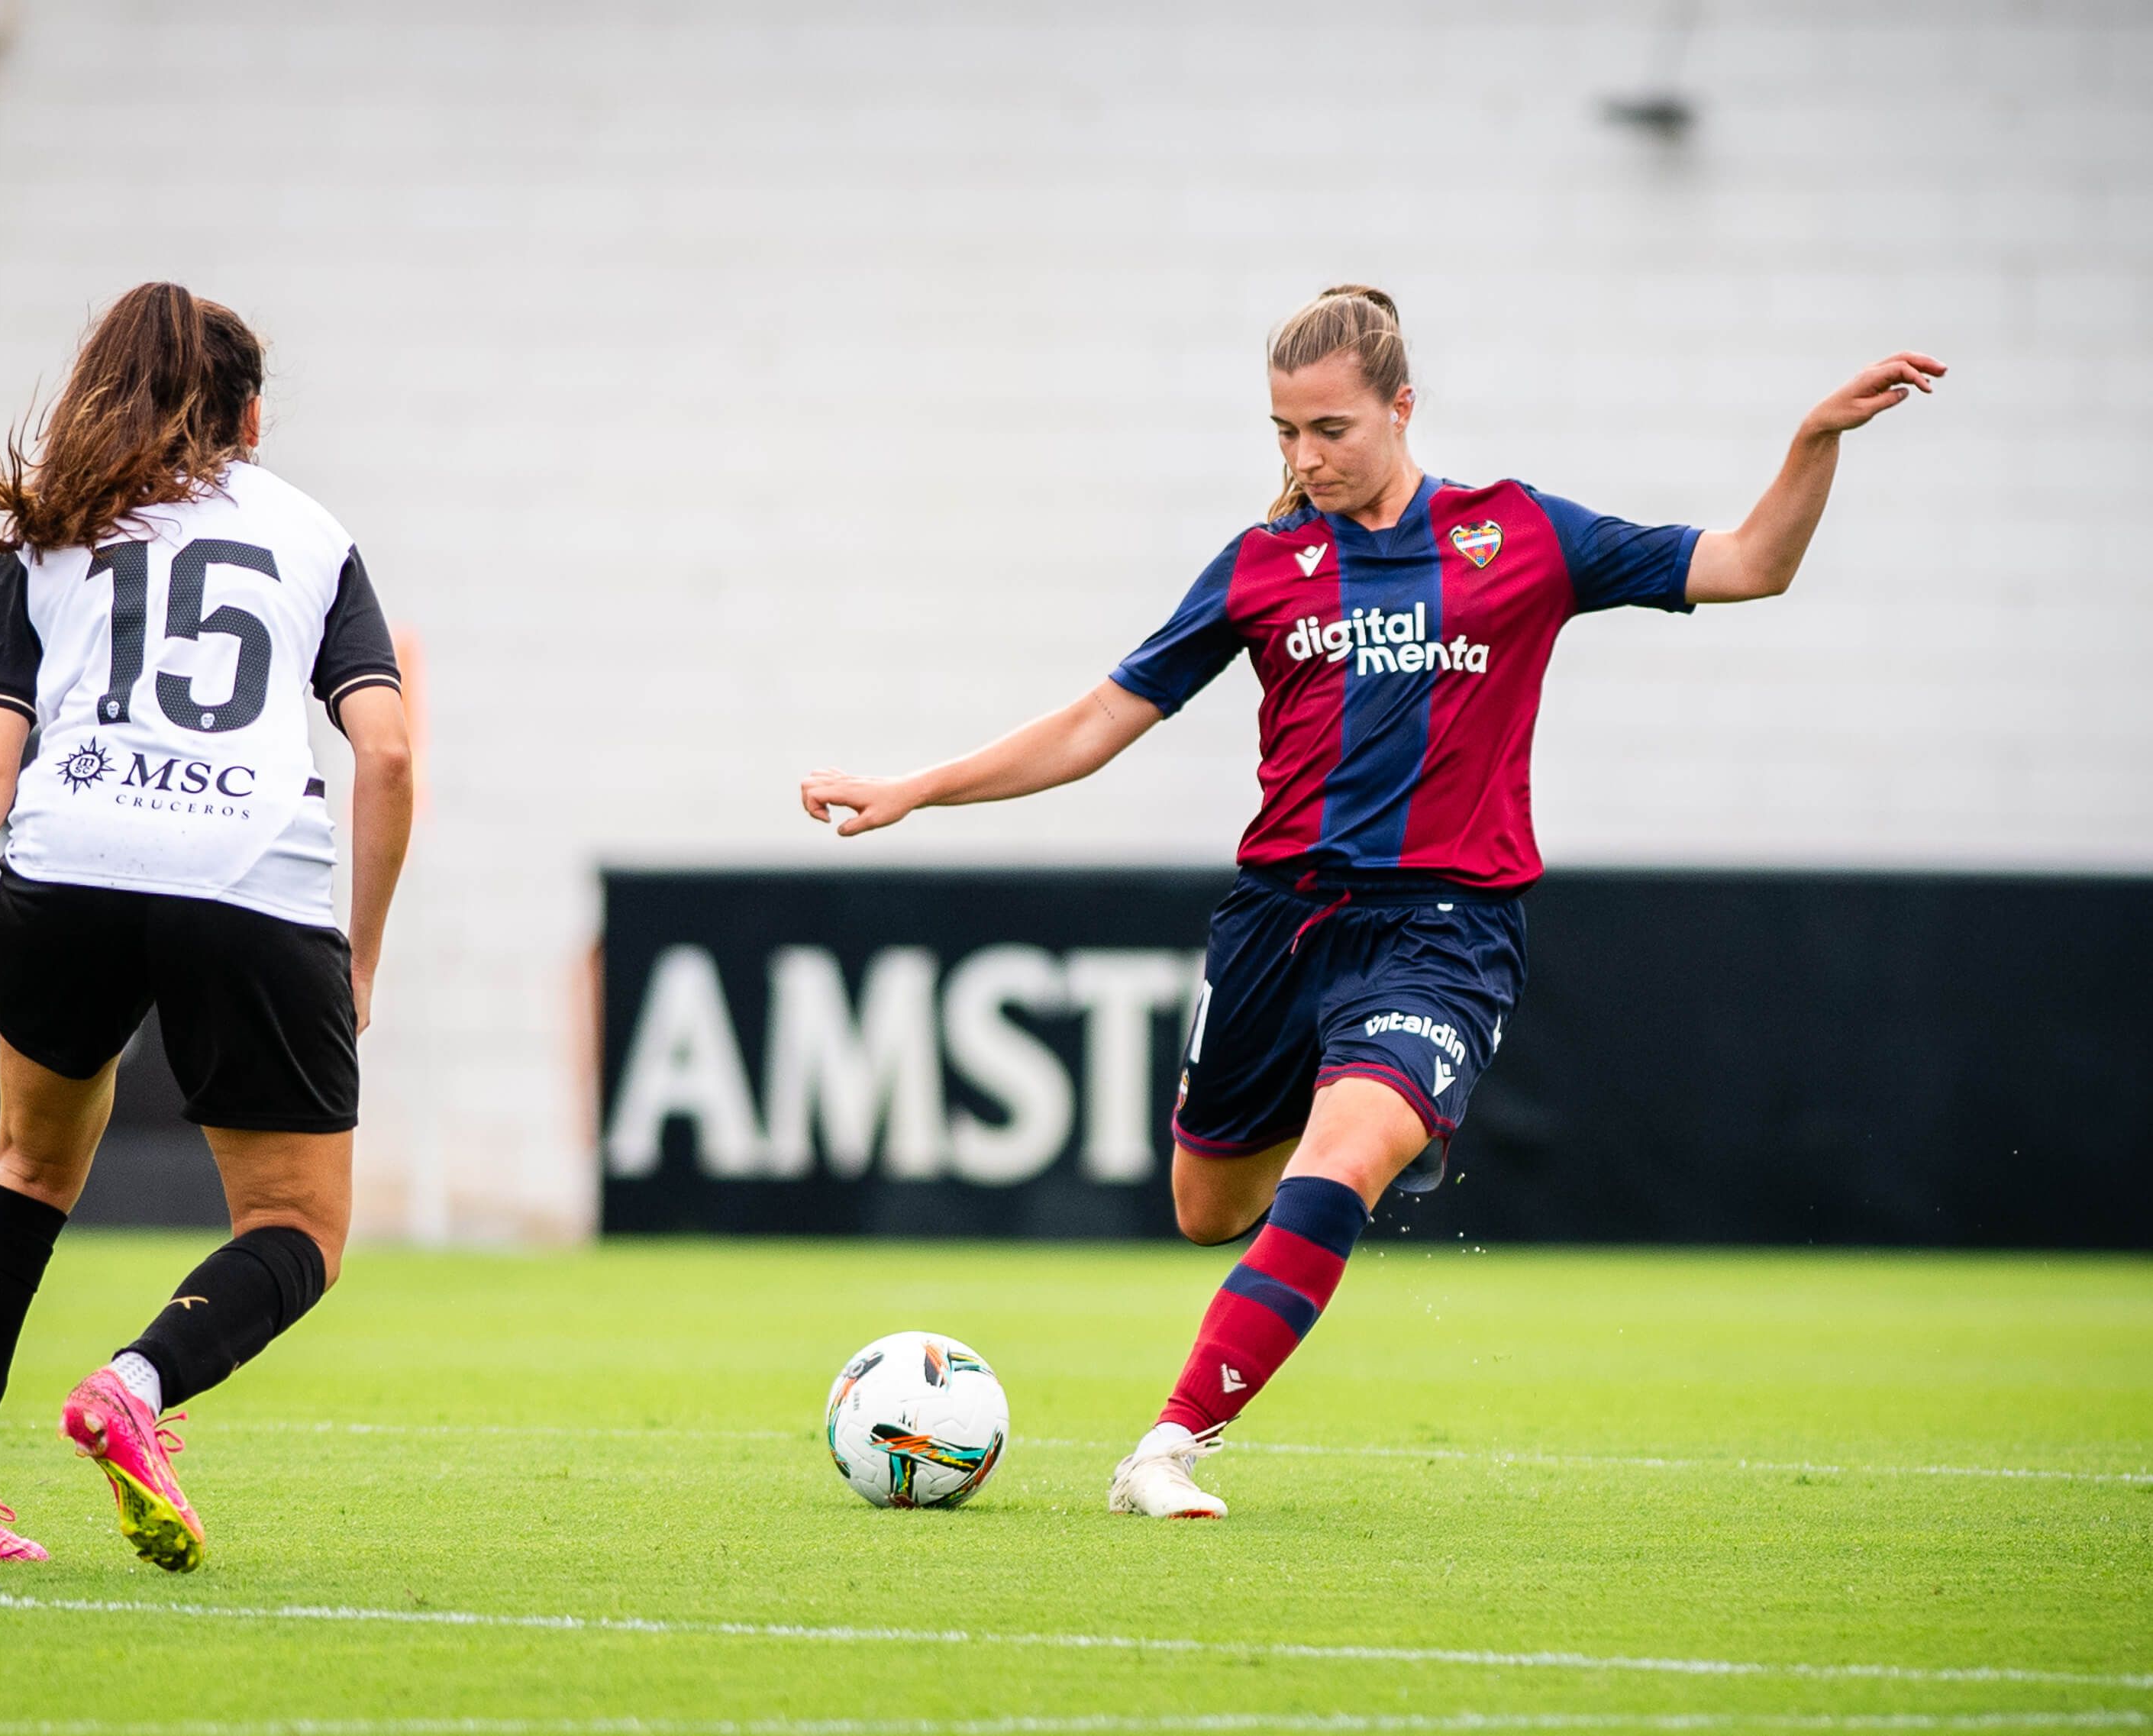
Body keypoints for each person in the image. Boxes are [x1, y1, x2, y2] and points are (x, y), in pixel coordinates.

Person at [800, 285, 1940, 1519]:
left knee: (1342, 1159)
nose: (1305, 457)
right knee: (1207, 1207)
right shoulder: (1262, 567)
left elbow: (1753, 565)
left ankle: (1169, 1445)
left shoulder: (1519, 537)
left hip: (1446, 930)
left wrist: (1810, 443)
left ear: (1403, 408)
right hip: (1280, 923)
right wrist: (918, 785)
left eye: (1330, 429)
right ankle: (1345, 1129)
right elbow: (1093, 724)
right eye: (1285, 432)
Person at [0, 282, 414, 1569]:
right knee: (298, 1226)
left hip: (67, 873)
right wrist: (358, 956)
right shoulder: (313, 533)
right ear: (252, 416)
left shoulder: (41, 532)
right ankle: (135, 1388)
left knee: (28, 1170)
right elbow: (383, 756)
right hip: (246, 883)